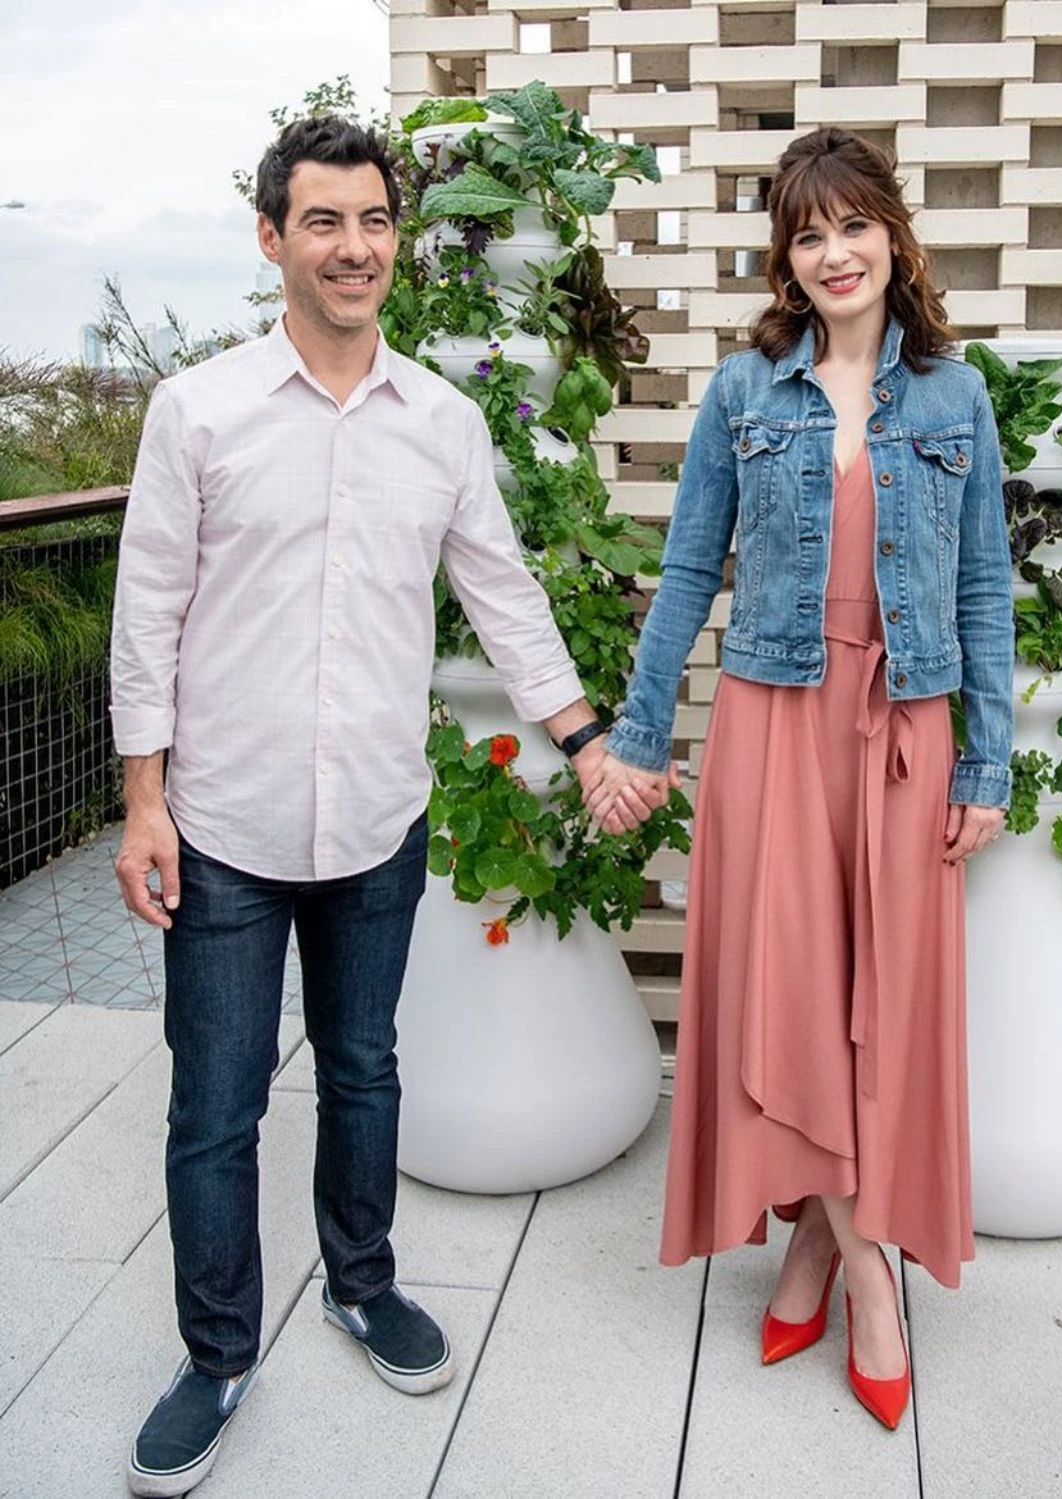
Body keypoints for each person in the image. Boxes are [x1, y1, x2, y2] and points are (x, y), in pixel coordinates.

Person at [110, 115, 660, 1497]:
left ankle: (362, 1284)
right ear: (272, 238)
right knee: (215, 1106)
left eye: (372, 221)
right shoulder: (198, 412)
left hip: (374, 820)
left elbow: (504, 598)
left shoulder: (444, 422)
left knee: (364, 1070)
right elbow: (146, 615)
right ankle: (216, 1354)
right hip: (224, 825)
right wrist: (143, 802)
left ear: (394, 239)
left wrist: (587, 742)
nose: (353, 248)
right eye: (323, 222)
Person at [587, 127, 1014, 1429]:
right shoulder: (743, 391)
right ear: (785, 256)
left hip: (902, 725)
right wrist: (639, 733)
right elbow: (686, 570)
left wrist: (986, 760)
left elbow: (982, 589)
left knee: (876, 1005)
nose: (832, 253)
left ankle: (821, 1245)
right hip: (773, 718)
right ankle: (870, 1274)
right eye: (806, 233)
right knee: (789, 995)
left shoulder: (954, 397)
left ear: (893, 236)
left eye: (852, 226)